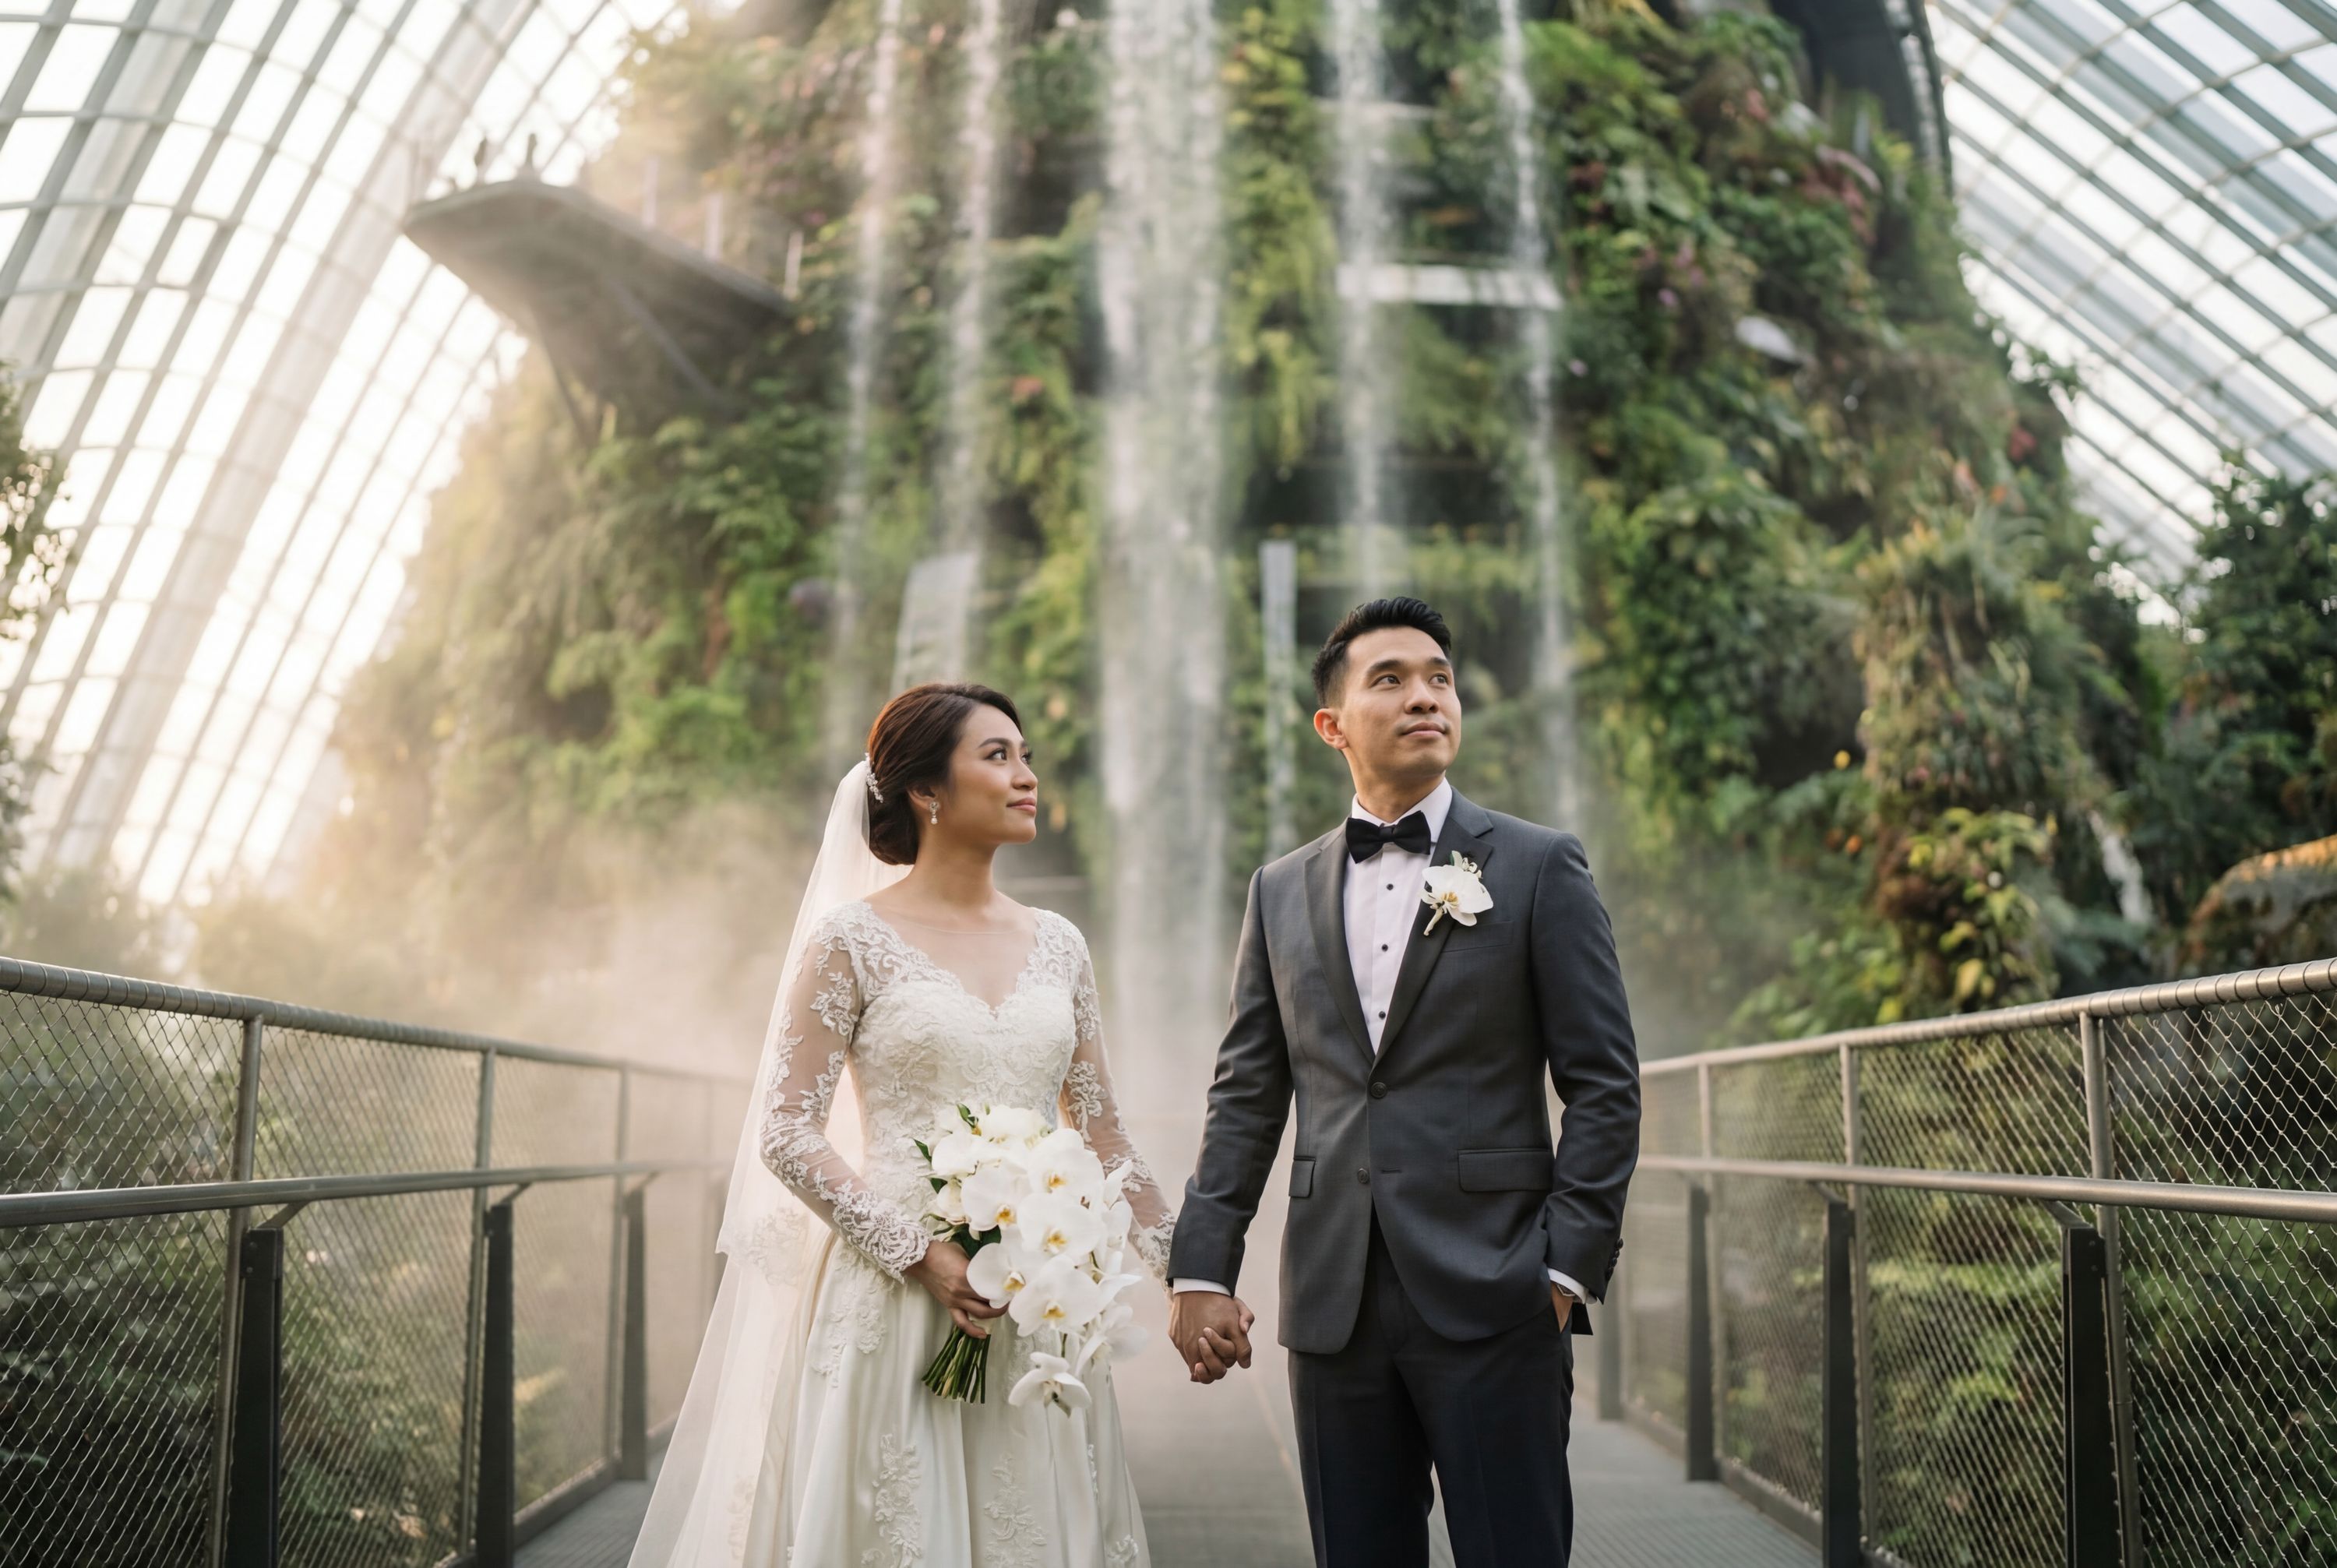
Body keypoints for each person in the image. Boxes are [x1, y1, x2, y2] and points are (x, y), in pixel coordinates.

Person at [629, 682, 1173, 1568]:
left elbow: (1104, 1133)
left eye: (1026, 754)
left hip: (1037, 1304)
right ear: (927, 791)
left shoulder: (1061, 945)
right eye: (997, 756)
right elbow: (787, 1129)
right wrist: (922, 1254)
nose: (1027, 775)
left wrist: (1186, 1274)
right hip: (897, 1298)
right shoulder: (849, 940)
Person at [1168, 597, 1642, 1568]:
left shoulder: (1541, 865)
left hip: (1498, 1290)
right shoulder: (1279, 888)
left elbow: (1604, 1083)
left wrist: (1562, 1271)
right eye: (1390, 679)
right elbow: (1248, 1095)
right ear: (1332, 724)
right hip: (1334, 1304)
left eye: (1439, 677)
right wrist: (1201, 1267)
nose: (1426, 695)